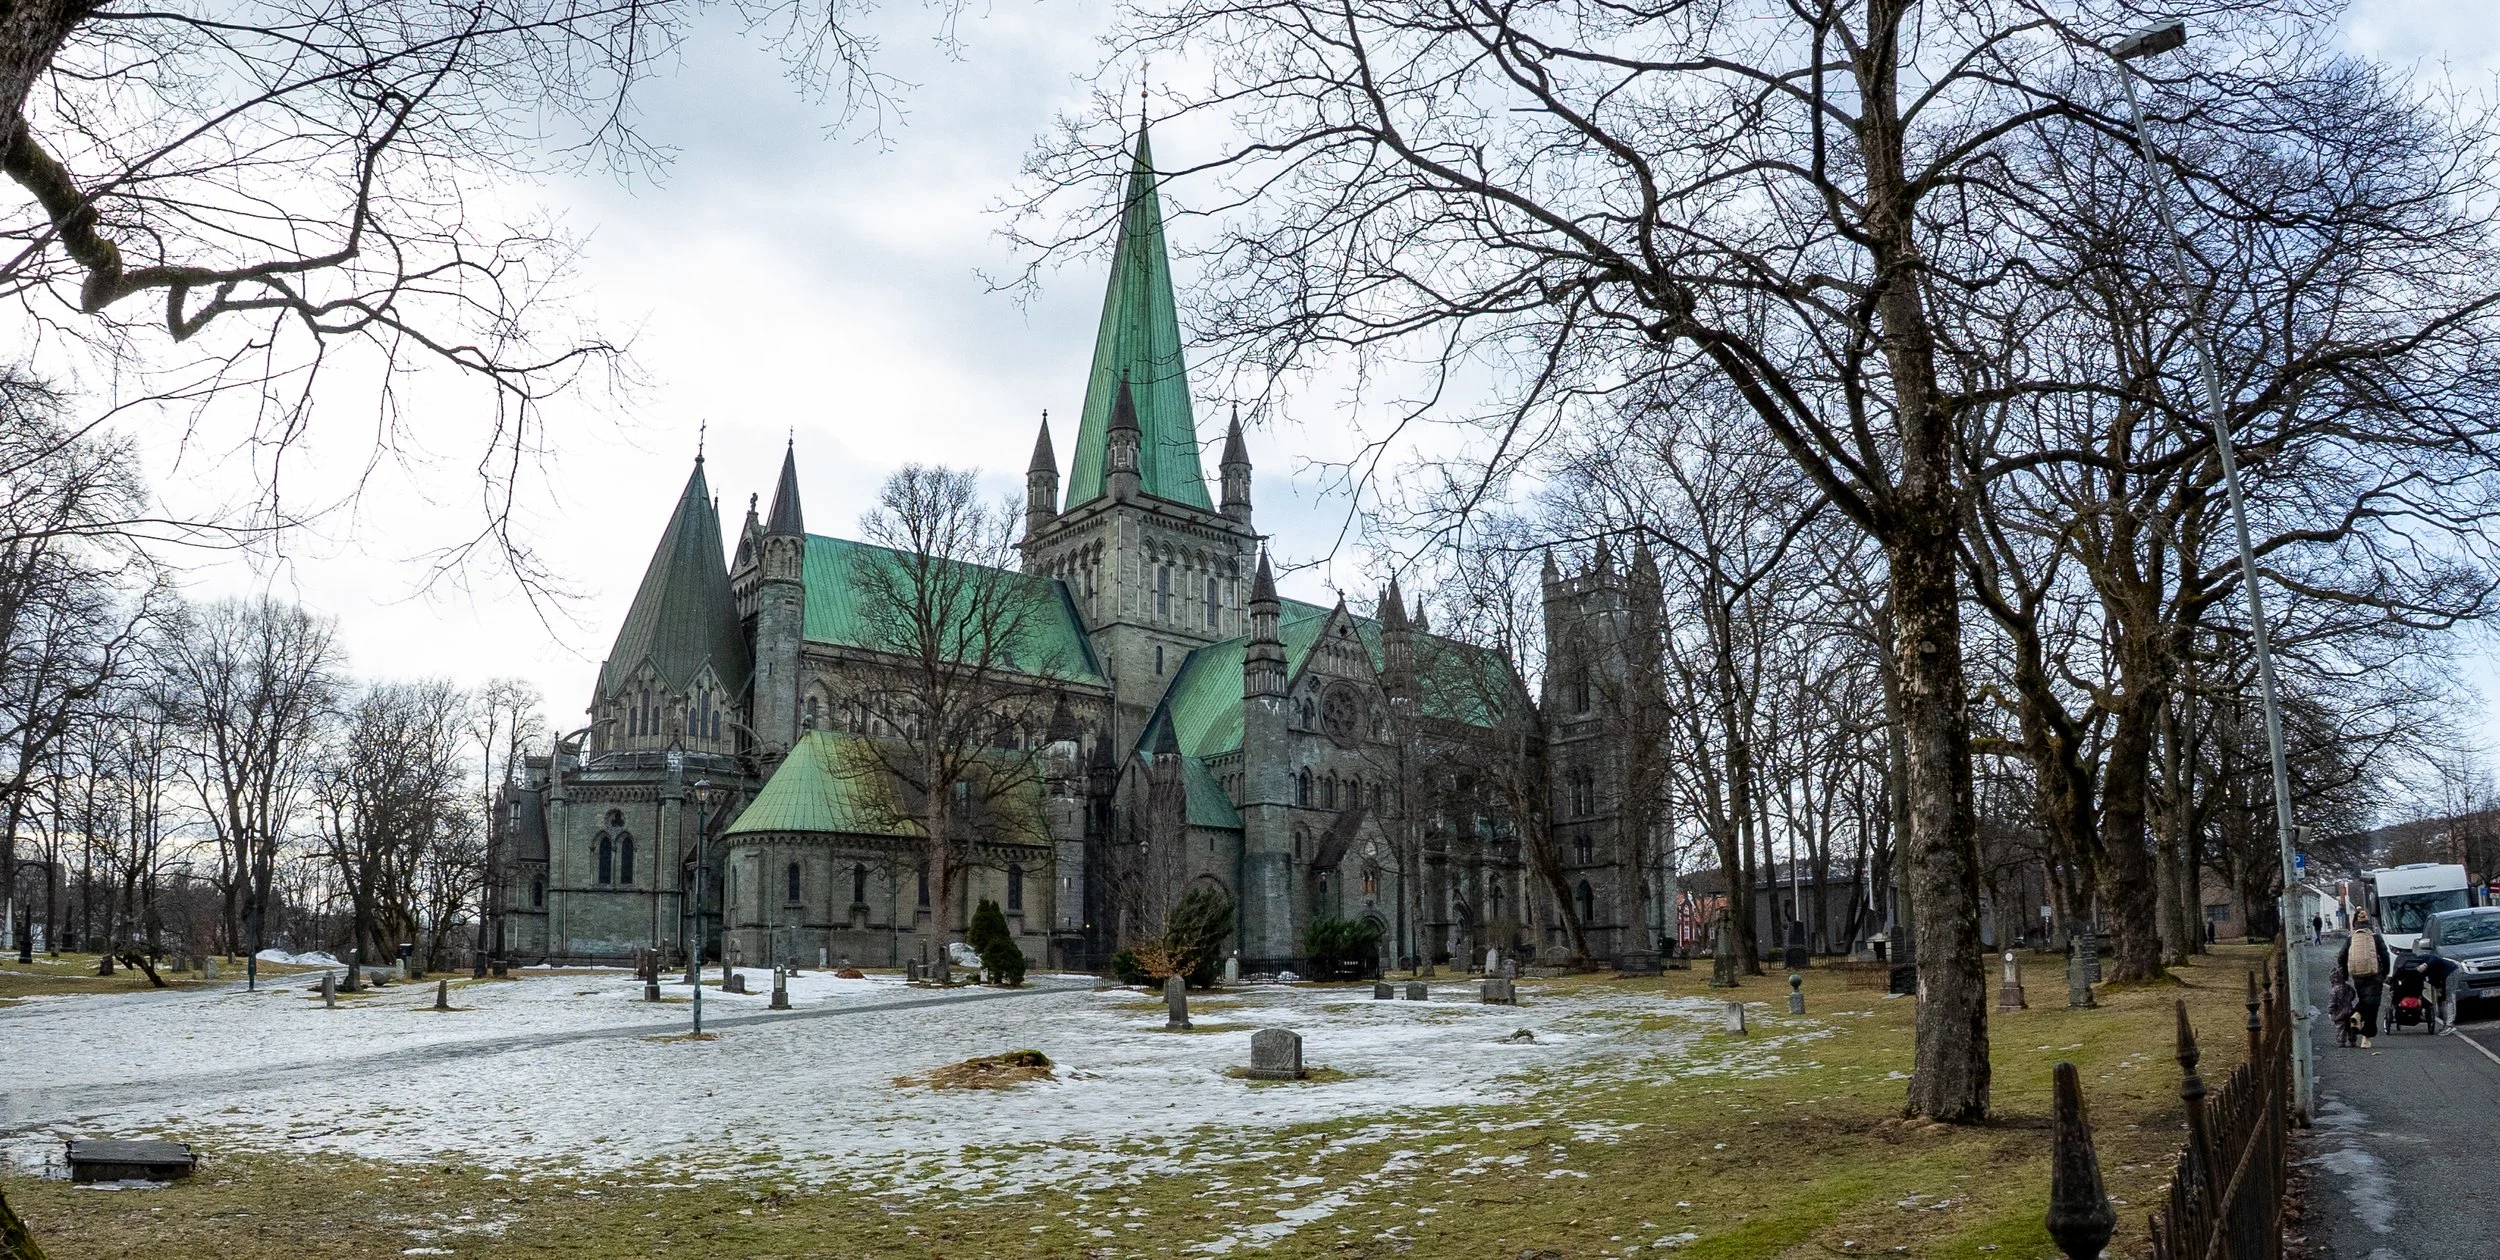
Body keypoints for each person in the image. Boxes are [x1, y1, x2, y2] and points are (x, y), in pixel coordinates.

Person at [2347, 910, 2394, 1048]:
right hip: (2374, 975)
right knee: (2373, 1006)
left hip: (2358, 976)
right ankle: (2366, 1039)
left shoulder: (2352, 938)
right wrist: (2385, 972)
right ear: (2369, 924)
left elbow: (2342, 956)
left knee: (2364, 1000)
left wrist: (2345, 974)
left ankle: (2357, 1014)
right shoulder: (2376, 937)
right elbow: (2385, 956)